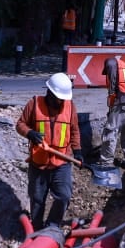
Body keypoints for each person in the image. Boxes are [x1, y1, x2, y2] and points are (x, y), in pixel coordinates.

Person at [16, 72, 82, 229]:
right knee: (37, 199)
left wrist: (78, 150)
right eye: (59, 98)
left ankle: (52, 225)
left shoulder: (70, 107)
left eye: (63, 99)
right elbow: (20, 124)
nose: (62, 102)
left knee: (64, 196)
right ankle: (36, 228)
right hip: (39, 163)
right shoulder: (34, 104)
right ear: (50, 93)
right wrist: (30, 133)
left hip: (62, 162)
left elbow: (74, 131)